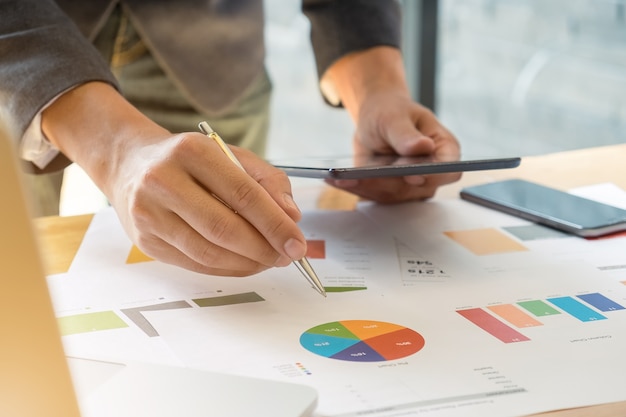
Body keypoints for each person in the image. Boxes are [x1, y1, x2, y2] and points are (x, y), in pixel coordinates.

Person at [1, 0, 461, 278]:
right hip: (15, 50)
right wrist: (118, 149)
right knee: (19, 282)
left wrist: (375, 85)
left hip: (213, 54)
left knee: (216, 258)